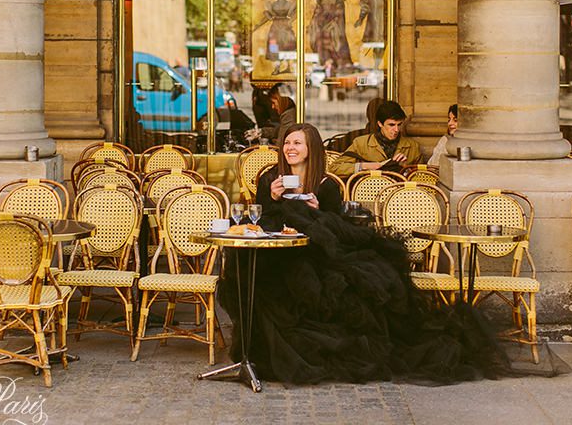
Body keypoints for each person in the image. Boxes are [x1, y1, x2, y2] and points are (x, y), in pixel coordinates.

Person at [218, 123, 510, 384]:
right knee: (252, 274)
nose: (290, 148)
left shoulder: (327, 185)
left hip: (314, 257)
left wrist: (319, 212)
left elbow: (335, 234)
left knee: (332, 289)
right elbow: (259, 221)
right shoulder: (271, 178)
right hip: (278, 255)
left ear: (311, 149)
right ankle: (257, 353)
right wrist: (272, 198)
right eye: (287, 143)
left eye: (297, 143)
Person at [329, 100, 422, 176]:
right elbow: (334, 168)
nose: (396, 129)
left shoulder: (413, 147)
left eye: (399, 124)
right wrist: (364, 166)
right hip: (367, 195)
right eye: (391, 125)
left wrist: (405, 169)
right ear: (380, 124)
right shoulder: (361, 143)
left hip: (399, 197)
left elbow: (422, 178)